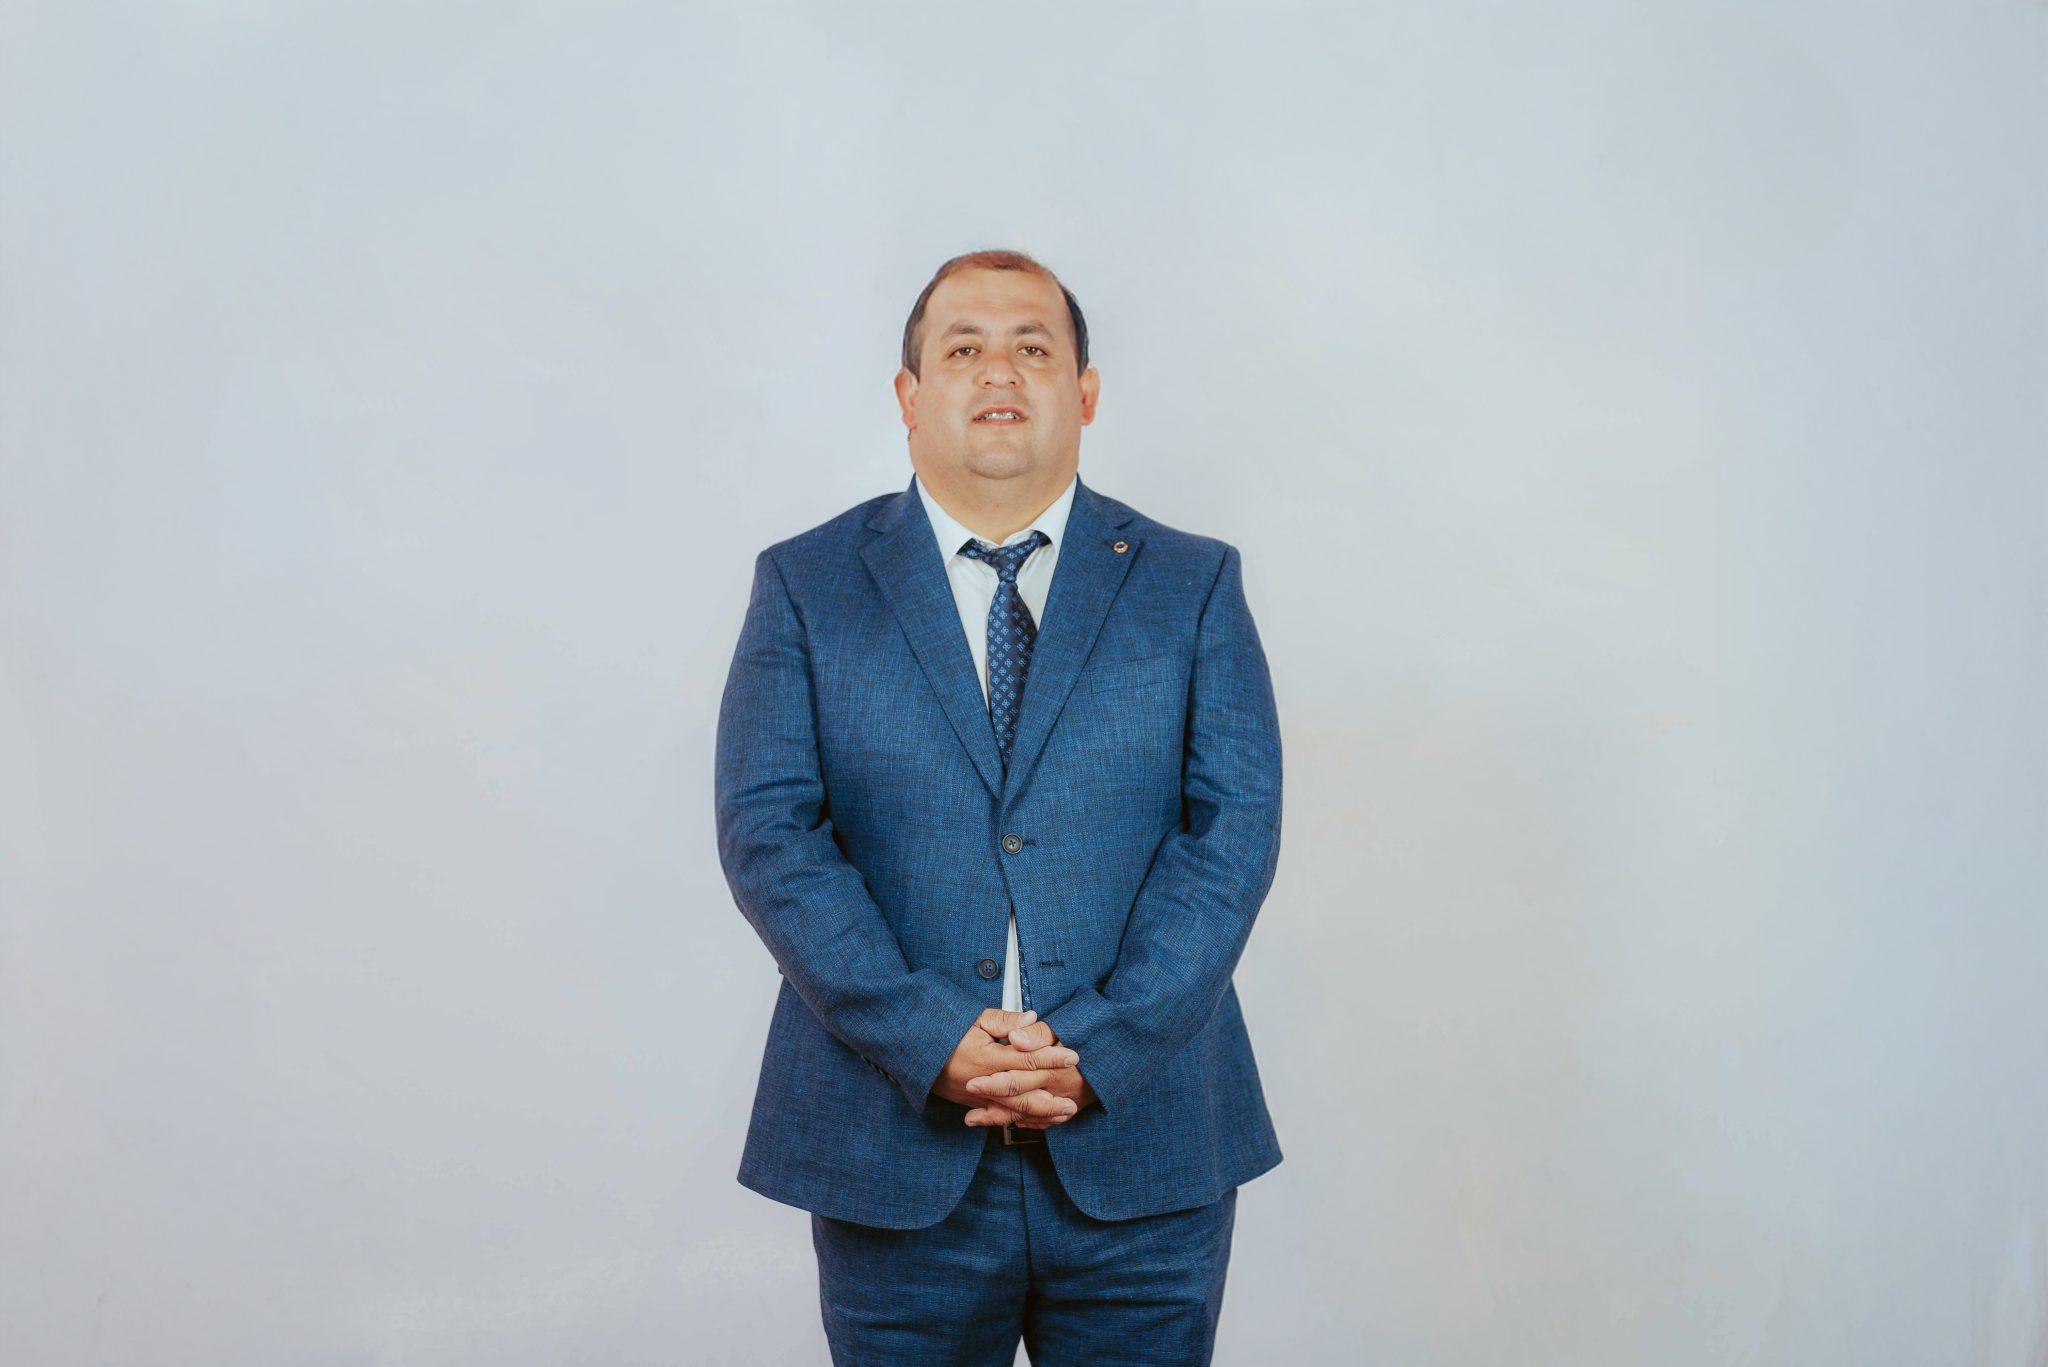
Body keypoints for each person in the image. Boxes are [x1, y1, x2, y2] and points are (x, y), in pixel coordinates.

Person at [714, 248, 1284, 1365]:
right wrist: (926, 1036)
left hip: (1145, 1142)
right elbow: (770, 836)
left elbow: (1232, 832)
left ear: (1084, 391)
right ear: (908, 393)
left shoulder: (1192, 581)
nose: (998, 371)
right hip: (892, 1145)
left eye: (1032, 346)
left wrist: (1098, 1045)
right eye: (962, 347)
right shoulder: (806, 583)